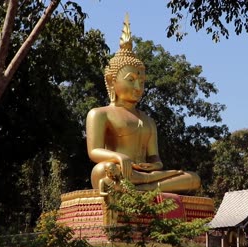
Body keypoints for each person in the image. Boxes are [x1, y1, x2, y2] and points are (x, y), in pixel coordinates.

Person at [86, 14, 201, 194]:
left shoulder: (148, 120)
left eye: (142, 81)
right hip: (119, 171)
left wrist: (153, 166)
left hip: (145, 176)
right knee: (101, 170)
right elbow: (94, 151)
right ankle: (141, 186)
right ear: (111, 81)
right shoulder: (100, 114)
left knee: (193, 178)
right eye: (131, 80)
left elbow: (156, 159)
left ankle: (144, 187)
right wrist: (118, 157)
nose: (138, 87)